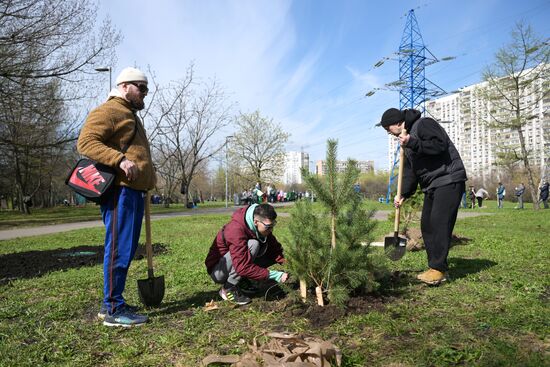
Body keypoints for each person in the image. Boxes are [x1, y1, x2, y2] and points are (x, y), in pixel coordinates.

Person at [77, 67, 155, 327]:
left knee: (126, 249)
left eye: (145, 89)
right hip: (119, 192)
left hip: (133, 192)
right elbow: (86, 142)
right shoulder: (109, 111)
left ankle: (114, 302)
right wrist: (119, 160)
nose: (144, 93)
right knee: (119, 249)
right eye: (140, 88)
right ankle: (112, 308)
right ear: (124, 87)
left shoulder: (128, 114)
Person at [378, 108, 467, 285]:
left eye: (387, 128)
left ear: (397, 122)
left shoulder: (424, 124)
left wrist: (413, 142)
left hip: (448, 179)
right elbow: (411, 171)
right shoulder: (406, 140)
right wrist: (403, 193)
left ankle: (438, 269)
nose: (387, 131)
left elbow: (439, 145)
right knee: (426, 225)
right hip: (431, 185)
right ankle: (436, 268)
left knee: (439, 223)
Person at [205, 203, 288, 305]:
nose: (271, 230)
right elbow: (242, 266)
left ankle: (241, 280)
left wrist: (291, 264)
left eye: (273, 225)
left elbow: (276, 251)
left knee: (268, 251)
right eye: (268, 226)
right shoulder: (235, 229)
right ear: (256, 222)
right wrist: (274, 275)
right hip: (218, 270)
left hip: (237, 262)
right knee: (254, 245)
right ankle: (228, 288)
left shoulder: (263, 229)